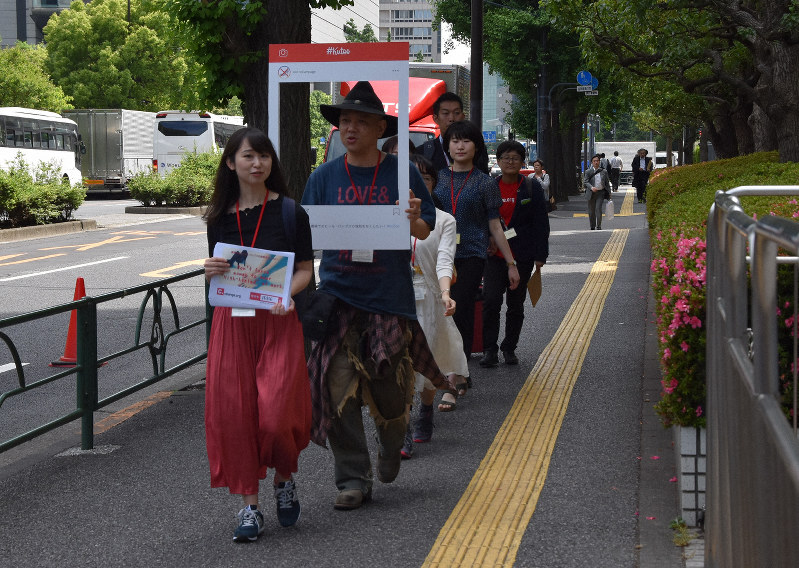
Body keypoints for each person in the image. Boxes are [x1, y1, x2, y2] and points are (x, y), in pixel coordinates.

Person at [301, 81, 439, 511]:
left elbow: (425, 229)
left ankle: (390, 444)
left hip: (388, 297)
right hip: (338, 299)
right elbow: (304, 237)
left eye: (362, 121)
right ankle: (352, 478)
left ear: (381, 126)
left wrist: (415, 219)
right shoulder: (322, 178)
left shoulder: (402, 173)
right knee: (335, 388)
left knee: (390, 395)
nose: (352, 128)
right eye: (345, 121)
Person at [203, 128, 314, 542]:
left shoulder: (289, 213)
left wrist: (288, 293)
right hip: (232, 326)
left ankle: (284, 479)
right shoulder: (218, 217)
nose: (257, 163)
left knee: (275, 415)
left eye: (264, 156)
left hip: (278, 322)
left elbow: (305, 269)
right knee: (236, 418)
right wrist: (210, 268)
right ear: (231, 163)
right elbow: (219, 273)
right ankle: (250, 507)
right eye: (249, 156)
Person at [433, 119, 520, 391]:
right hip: (436, 253)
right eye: (455, 140)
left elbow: (495, 226)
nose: (460, 146)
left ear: (476, 147)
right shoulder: (437, 178)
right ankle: (445, 368)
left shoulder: (485, 183)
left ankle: (459, 371)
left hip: (471, 253)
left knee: (460, 310)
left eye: (466, 141)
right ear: (447, 145)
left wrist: (511, 263)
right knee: (436, 311)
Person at [401, 154, 470, 460]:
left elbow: (445, 260)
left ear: (432, 183)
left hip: (428, 297)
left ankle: (425, 408)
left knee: (428, 361)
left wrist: (445, 293)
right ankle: (401, 425)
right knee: (397, 363)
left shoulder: (444, 220)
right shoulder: (384, 215)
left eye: (424, 178)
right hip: (395, 298)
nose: (416, 184)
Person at [480, 140, 550, 367]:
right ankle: (489, 349)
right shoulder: (489, 186)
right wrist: (486, 239)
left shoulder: (531, 187)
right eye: (505, 158)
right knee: (490, 301)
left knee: (516, 304)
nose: (510, 162)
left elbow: (541, 222)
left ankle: (509, 347)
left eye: (515, 158)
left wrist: (541, 255)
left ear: (522, 162)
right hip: (494, 255)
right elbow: (481, 219)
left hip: (523, 254)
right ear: (498, 161)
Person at [417, 92, 490, 175]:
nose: (451, 118)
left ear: (463, 117)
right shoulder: (423, 152)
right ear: (435, 118)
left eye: (456, 113)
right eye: (445, 113)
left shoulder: (476, 149)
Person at [583, 153, 611, 231]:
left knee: (598, 208)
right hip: (591, 193)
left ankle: (599, 226)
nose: (596, 162)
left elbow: (607, 183)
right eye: (594, 161)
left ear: (599, 162)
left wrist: (609, 192)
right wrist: (591, 187)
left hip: (600, 193)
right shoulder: (588, 171)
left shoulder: (604, 171)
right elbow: (585, 182)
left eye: (597, 161)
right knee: (591, 211)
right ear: (592, 162)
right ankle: (592, 225)